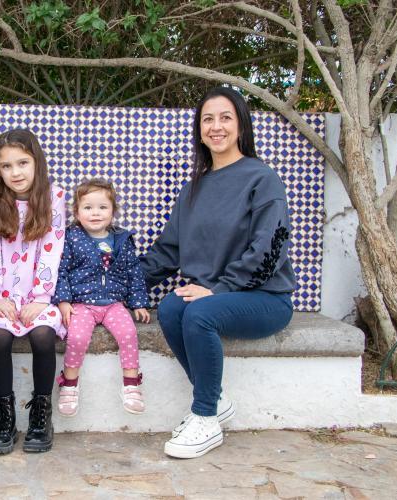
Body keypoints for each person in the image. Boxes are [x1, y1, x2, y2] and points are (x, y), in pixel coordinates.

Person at [140, 86, 295, 459]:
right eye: (207, 119)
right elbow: (168, 251)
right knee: (171, 308)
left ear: (241, 125)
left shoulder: (262, 179)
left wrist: (220, 289)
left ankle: (206, 417)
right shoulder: (194, 188)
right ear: (199, 129)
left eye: (226, 117)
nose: (216, 126)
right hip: (217, 296)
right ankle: (217, 399)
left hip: (265, 298)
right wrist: (120, 286)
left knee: (198, 312)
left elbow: (269, 249)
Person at [0, 129, 66, 455]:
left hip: (38, 294)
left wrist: (41, 298)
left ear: (36, 162)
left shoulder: (53, 197)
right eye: (6, 166)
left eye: (22, 163)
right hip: (1, 294)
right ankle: (4, 415)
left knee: (43, 335)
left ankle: (41, 414)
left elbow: (52, 249)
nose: (15, 172)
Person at [53, 178, 150, 417]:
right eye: (88, 207)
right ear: (77, 212)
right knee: (77, 338)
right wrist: (63, 301)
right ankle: (69, 384)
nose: (95, 213)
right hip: (82, 305)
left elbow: (134, 272)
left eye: (102, 207)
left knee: (128, 334)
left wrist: (138, 303)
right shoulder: (71, 238)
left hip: (113, 304)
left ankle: (131, 385)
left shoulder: (121, 240)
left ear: (113, 211)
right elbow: (60, 271)